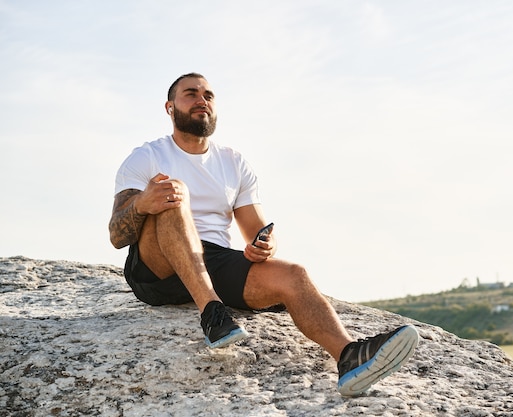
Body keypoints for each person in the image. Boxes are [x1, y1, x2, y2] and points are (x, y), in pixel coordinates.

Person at [108, 72, 419, 396]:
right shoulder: (147, 156)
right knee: (174, 192)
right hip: (158, 264)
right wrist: (143, 203)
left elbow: (254, 228)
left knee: (294, 275)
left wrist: (264, 245)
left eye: (209, 95)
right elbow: (117, 235)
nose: (202, 100)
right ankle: (212, 313)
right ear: (170, 107)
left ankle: (348, 357)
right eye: (191, 94)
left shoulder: (233, 162)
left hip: (210, 261)